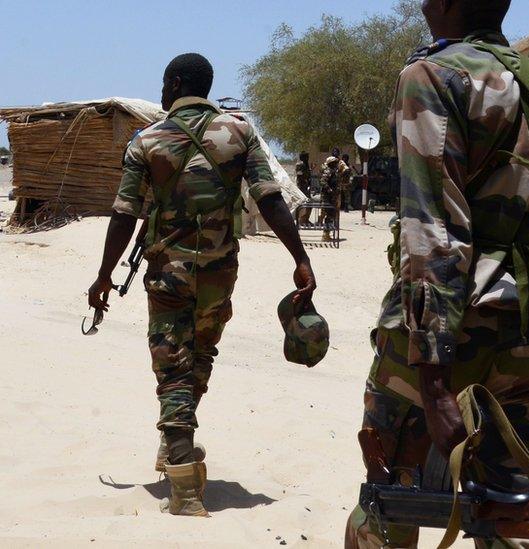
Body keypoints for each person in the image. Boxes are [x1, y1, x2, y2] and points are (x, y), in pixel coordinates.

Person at [344, 0, 529, 546]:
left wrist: (434, 382)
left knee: (393, 498)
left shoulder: (431, 76)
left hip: (448, 335)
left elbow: (432, 227)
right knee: (520, 516)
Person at [86, 53, 317, 517]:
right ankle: (176, 439)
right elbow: (269, 199)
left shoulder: (146, 140)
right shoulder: (239, 132)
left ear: (173, 83)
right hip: (219, 271)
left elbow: (125, 214)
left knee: (171, 364)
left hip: (168, 273)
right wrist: (301, 257)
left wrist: (104, 274)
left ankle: (184, 483)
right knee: (201, 354)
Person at [296, 151, 313, 226]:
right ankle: (302, 220)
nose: (307, 158)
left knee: (309, 204)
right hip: (302, 187)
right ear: (302, 157)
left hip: (306, 187)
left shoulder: (306, 165)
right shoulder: (300, 164)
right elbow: (299, 175)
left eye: (308, 157)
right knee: (303, 204)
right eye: (306, 157)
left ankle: (306, 219)